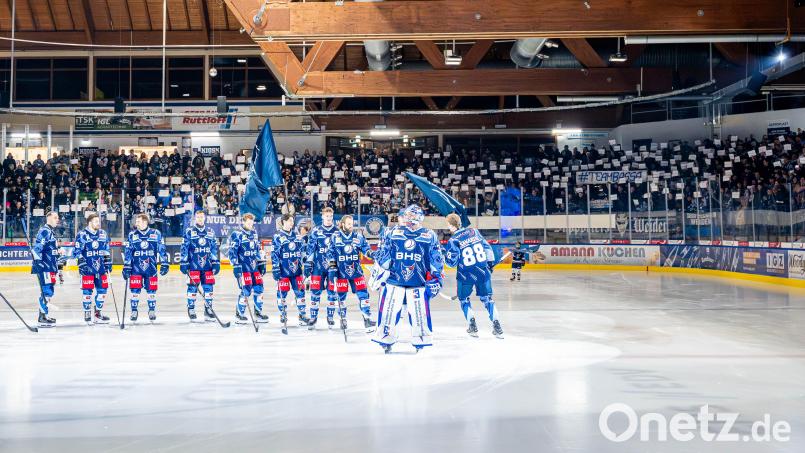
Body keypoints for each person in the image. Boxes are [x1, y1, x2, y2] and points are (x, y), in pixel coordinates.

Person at [371, 205, 444, 353]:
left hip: (418, 283)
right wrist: (379, 274)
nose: (410, 219)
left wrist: (437, 278)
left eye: (413, 216)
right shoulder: (392, 232)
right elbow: (383, 255)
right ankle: (386, 338)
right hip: (394, 281)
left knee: (419, 314)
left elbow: (436, 259)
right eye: (408, 216)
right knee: (389, 312)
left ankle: (421, 340)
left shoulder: (429, 235)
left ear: (420, 218)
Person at [444, 213, 503, 338]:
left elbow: (451, 263)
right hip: (482, 271)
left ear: (450, 225)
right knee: (487, 299)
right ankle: (497, 325)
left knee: (464, 299)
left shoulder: (453, 240)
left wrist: (445, 255)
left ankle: (472, 325)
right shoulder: (474, 231)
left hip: (465, 274)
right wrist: (490, 264)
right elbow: (487, 248)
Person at [326, 214, 377, 332]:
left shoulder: (358, 236)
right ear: (343, 224)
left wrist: (372, 254)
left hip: (356, 271)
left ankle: (367, 319)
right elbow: (330, 253)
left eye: (352, 223)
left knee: (363, 295)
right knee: (341, 297)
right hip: (341, 272)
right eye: (349, 223)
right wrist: (332, 268)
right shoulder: (335, 236)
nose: (351, 226)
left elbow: (365, 248)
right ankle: (343, 319)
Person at [122, 213, 169, 322]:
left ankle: (151, 310)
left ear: (145, 222)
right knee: (135, 291)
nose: (136, 223)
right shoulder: (132, 234)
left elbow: (162, 249)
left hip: (151, 267)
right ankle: (134, 310)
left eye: (138, 221)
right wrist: (126, 266)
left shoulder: (156, 233)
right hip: (136, 268)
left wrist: (165, 263)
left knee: (151, 290)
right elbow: (128, 251)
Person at [180, 210, 220, 322]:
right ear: (195, 218)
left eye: (202, 217)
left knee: (209, 288)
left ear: (205, 218)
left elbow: (213, 249)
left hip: (207, 266)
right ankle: (191, 308)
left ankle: (208, 309)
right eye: (198, 217)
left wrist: (215, 262)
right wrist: (183, 262)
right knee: (192, 288)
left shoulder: (210, 231)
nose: (200, 219)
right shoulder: (189, 231)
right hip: (193, 266)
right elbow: (184, 248)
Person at [73, 213, 112, 324]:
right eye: (96, 221)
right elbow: (77, 251)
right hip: (87, 269)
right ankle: (87, 313)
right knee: (87, 292)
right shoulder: (82, 234)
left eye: (98, 221)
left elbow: (106, 249)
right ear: (90, 222)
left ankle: (97, 314)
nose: (98, 223)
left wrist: (108, 261)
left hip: (101, 269)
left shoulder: (103, 234)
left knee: (103, 291)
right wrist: (81, 263)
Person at [228, 212, 268, 324]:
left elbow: (257, 249)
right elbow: (232, 252)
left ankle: (258, 312)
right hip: (243, 268)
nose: (251, 225)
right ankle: (239, 313)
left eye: (252, 223)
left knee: (259, 288)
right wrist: (235, 266)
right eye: (249, 222)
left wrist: (261, 263)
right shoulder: (237, 234)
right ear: (243, 222)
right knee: (246, 290)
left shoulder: (254, 233)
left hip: (254, 267)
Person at [271, 213, 308, 327]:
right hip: (283, 271)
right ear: (284, 222)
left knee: (300, 293)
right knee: (282, 293)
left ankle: (302, 315)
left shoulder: (297, 236)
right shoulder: (277, 236)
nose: (292, 223)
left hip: (296, 271)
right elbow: (274, 254)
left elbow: (302, 251)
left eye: (292, 221)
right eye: (290, 221)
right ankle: (283, 314)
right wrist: (275, 268)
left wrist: (306, 262)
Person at [304, 207, 338, 329]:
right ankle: (313, 317)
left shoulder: (337, 231)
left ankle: (330, 317)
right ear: (322, 216)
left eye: (330, 216)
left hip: (332, 267)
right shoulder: (316, 231)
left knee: (332, 293)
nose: (329, 218)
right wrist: (308, 263)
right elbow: (311, 248)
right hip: (318, 267)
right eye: (326, 216)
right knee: (315, 292)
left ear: (332, 216)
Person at [31, 210, 62, 327]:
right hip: (46, 267)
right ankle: (42, 317)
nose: (57, 219)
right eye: (55, 217)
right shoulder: (45, 231)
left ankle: (44, 314)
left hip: (50, 266)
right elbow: (37, 248)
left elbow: (49, 250)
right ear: (48, 218)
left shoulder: (50, 232)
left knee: (49, 291)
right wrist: (38, 263)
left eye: (57, 218)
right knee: (46, 291)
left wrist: (58, 252)